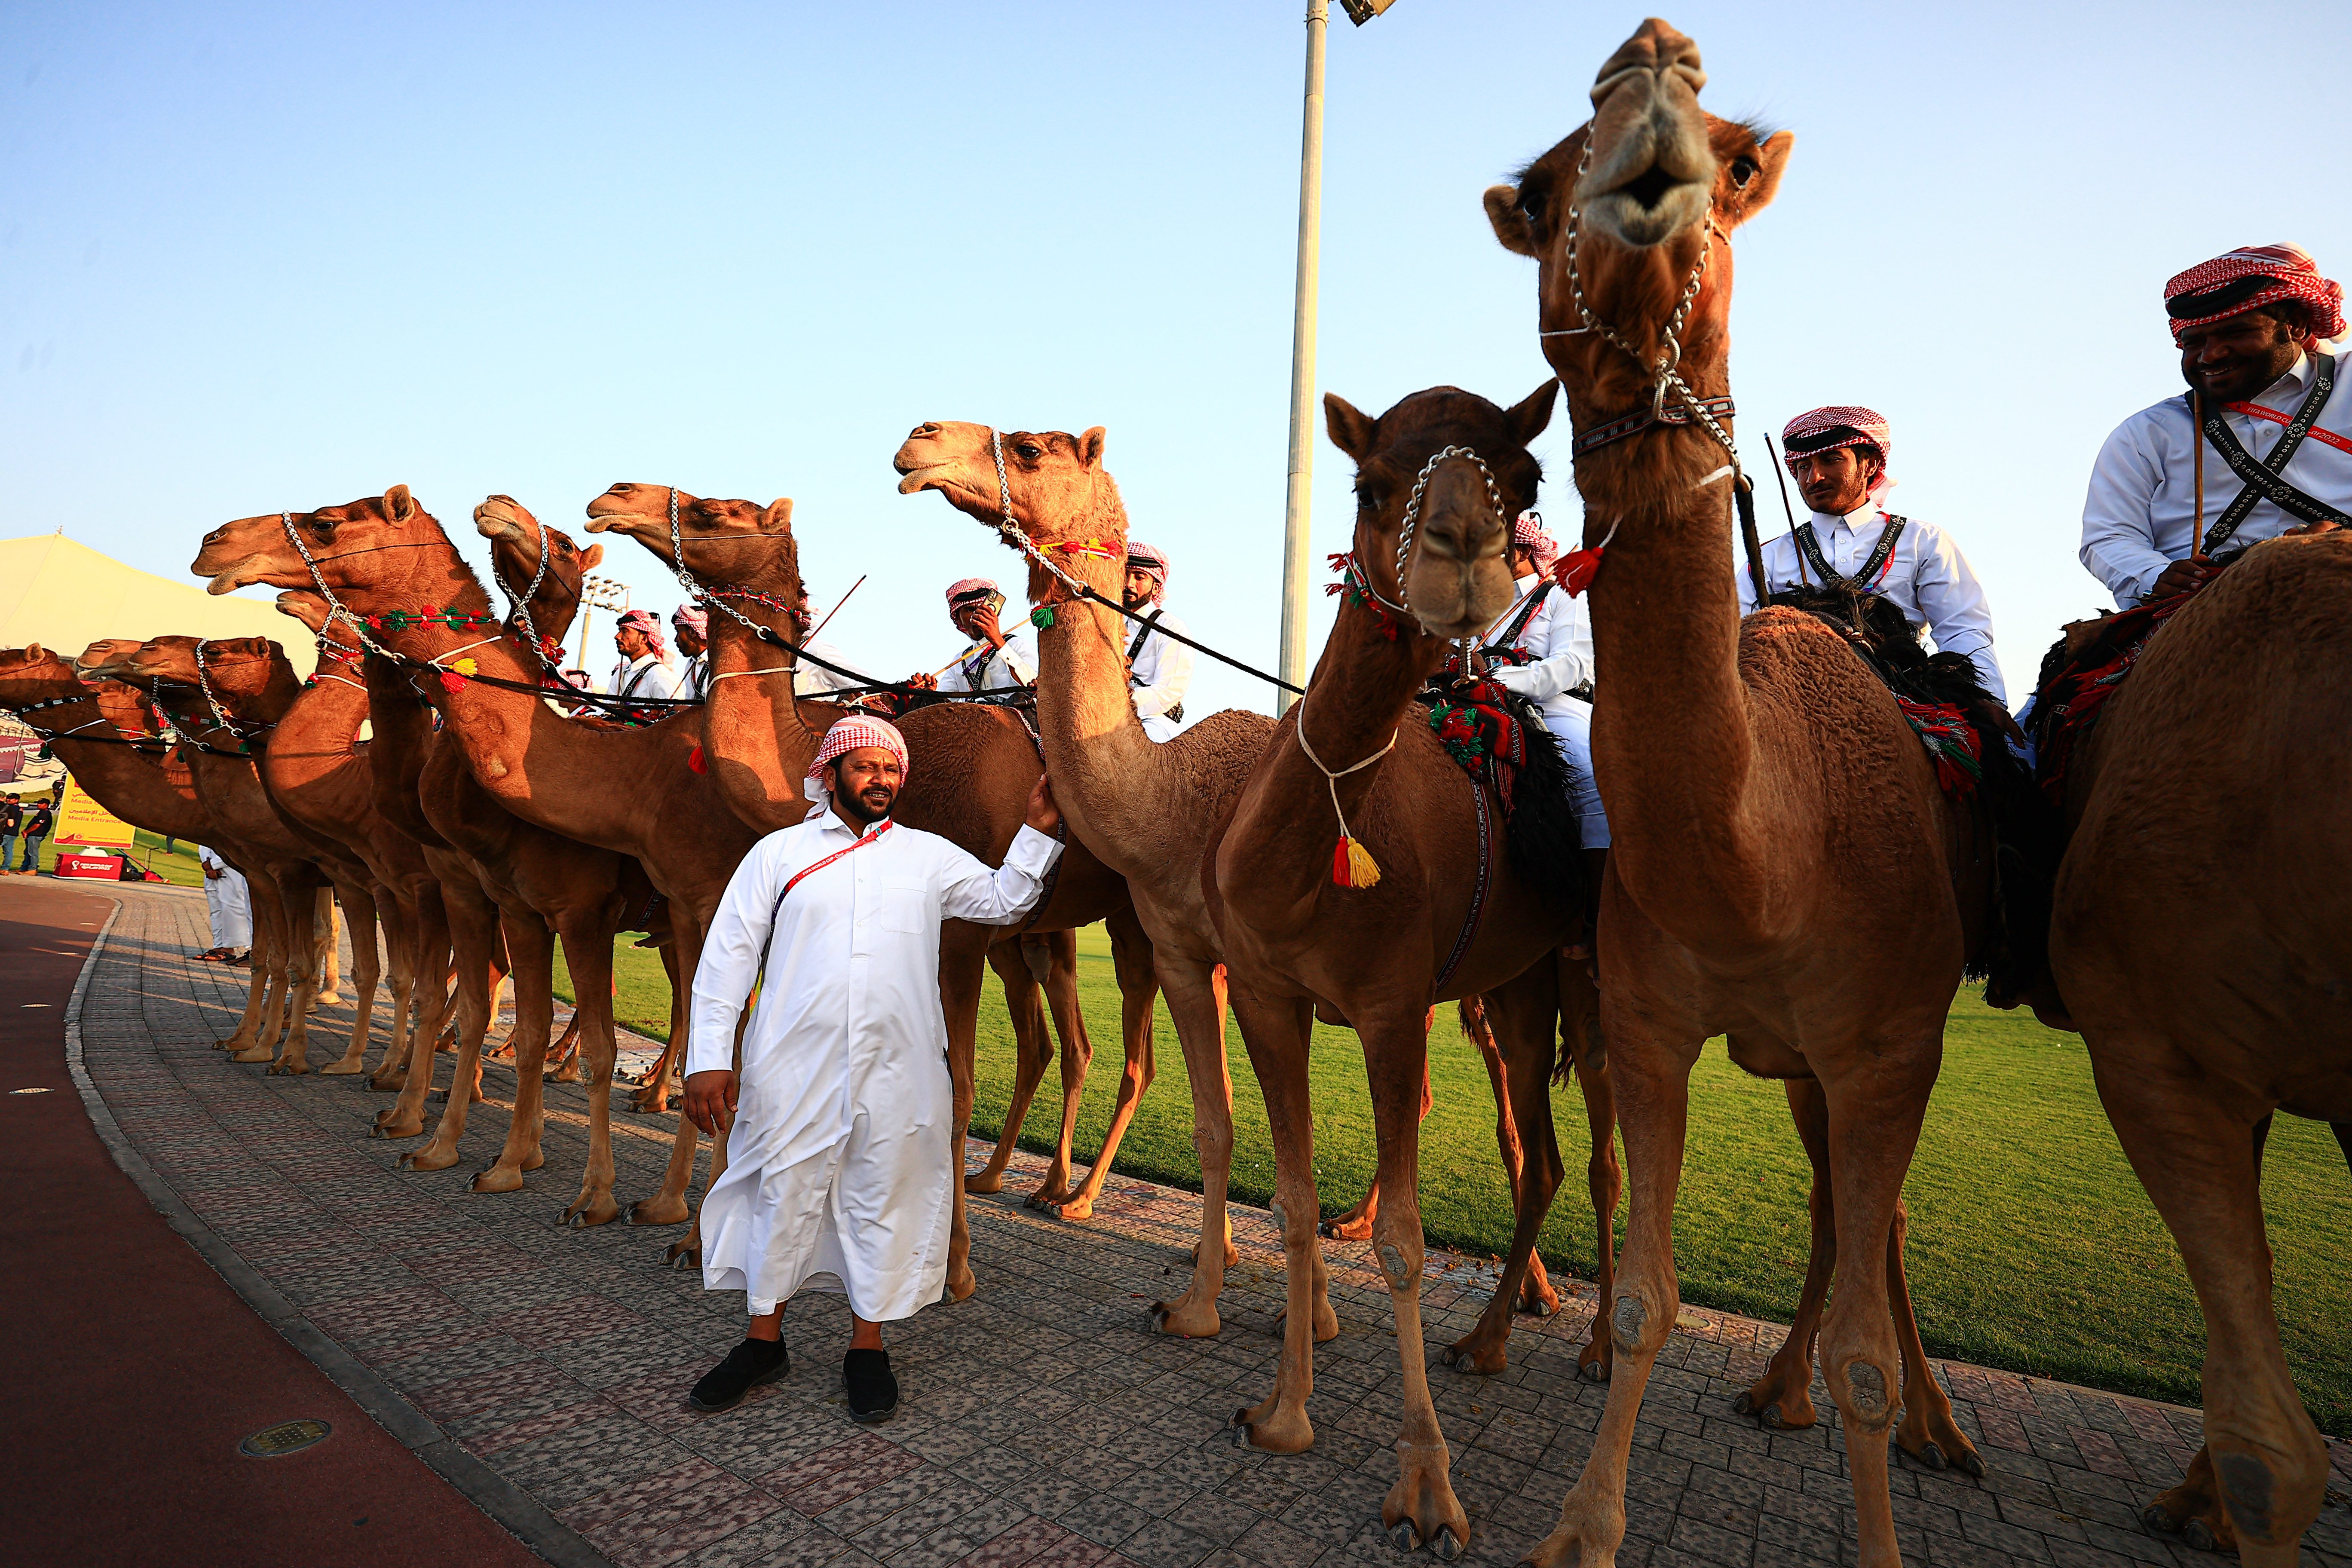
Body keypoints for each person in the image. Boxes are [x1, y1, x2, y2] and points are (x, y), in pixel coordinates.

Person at [679, 715, 1063, 1421]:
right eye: (865, 767)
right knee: (780, 1191)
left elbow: (1006, 897)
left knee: (879, 1197)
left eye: (891, 769)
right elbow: (728, 955)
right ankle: (764, 1341)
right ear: (829, 774)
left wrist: (1036, 830)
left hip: (901, 1069)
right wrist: (706, 1059)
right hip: (791, 1065)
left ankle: (868, 1348)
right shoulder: (777, 853)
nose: (881, 779)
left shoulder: (927, 855)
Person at [2081, 243, 2349, 607]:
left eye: (2235, 333)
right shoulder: (2147, 432)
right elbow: (2108, 536)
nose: (2211, 355)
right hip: (2199, 602)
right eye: (2195, 343)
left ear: (2295, 327)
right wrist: (2156, 574)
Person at [1740, 406, 2008, 704]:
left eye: (1830, 460)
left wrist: (1989, 703)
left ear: (1868, 464)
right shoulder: (1768, 559)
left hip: (1906, 700)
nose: (1813, 477)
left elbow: (1963, 632)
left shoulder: (1923, 541)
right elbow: (1735, 641)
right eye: (1803, 466)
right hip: (1793, 702)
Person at [1481, 513, 1608, 873]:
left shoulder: (1564, 594)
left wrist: (1497, 678)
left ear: (1521, 551)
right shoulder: (1477, 609)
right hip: (1480, 704)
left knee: (1590, 776)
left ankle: (1598, 909)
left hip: (1553, 708)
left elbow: (1571, 664)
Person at [1119, 542, 1194, 741]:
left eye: (1139, 577)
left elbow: (1169, 691)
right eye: (1125, 574)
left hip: (1153, 722)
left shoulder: (1171, 628)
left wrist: (1117, 703)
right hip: (1103, 716)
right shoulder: (1110, 624)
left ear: (1156, 585)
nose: (1129, 584)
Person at [930, 579, 1038, 693]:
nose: (978, 615)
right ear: (958, 619)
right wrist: (929, 694)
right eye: (969, 610)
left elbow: (1033, 684)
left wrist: (998, 641)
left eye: (983, 609)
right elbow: (946, 704)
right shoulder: (959, 662)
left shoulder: (1017, 645)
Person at [606, 609, 684, 704]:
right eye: (620, 631)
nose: (617, 637)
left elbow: (671, 716)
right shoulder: (621, 673)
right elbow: (604, 710)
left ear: (644, 639)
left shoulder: (660, 675)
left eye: (625, 632)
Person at [197, 845, 251, 961]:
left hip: (231, 867)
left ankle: (229, 948)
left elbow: (237, 847)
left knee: (232, 909)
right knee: (216, 911)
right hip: (209, 867)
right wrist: (208, 866)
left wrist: (214, 864)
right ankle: (219, 945)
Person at [672, 606, 711, 701]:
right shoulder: (691, 665)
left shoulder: (718, 663)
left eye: (678, 632)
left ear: (693, 632)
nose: (676, 639)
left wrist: (686, 711)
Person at [14, 795, 55, 874]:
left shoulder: (45, 813)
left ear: (46, 805)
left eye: (41, 804)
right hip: (32, 835)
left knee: (33, 852)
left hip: (36, 835)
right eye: (38, 803)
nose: (39, 805)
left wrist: (27, 832)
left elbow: (37, 825)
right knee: (28, 852)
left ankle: (33, 869)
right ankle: (24, 868)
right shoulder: (41, 812)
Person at [0, 796, 20, 876]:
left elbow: (10, 824)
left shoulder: (8, 808)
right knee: (9, 851)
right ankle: (5, 869)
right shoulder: (17, 809)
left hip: (5, 832)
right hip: (14, 832)